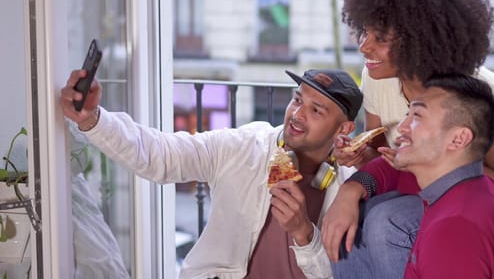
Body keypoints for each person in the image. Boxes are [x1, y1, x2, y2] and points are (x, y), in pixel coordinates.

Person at [322, 0, 494, 278]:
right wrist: (359, 166)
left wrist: (419, 164)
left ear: (420, 40)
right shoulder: (376, 78)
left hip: (481, 205)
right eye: (364, 32)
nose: (364, 46)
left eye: (380, 38)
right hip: (415, 188)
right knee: (349, 225)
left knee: (386, 221)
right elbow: (384, 156)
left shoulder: (476, 92)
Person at [60, 68, 363, 279]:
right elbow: (160, 154)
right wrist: (93, 119)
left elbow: (338, 275)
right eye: (297, 99)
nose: (297, 115)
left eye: (316, 110)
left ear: (344, 129)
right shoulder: (245, 146)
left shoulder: (349, 188)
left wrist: (304, 233)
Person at [328, 74, 494, 278]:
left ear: (458, 139)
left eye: (417, 116)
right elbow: (396, 174)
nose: (401, 126)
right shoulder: (469, 187)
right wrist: (352, 188)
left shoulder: (454, 228)